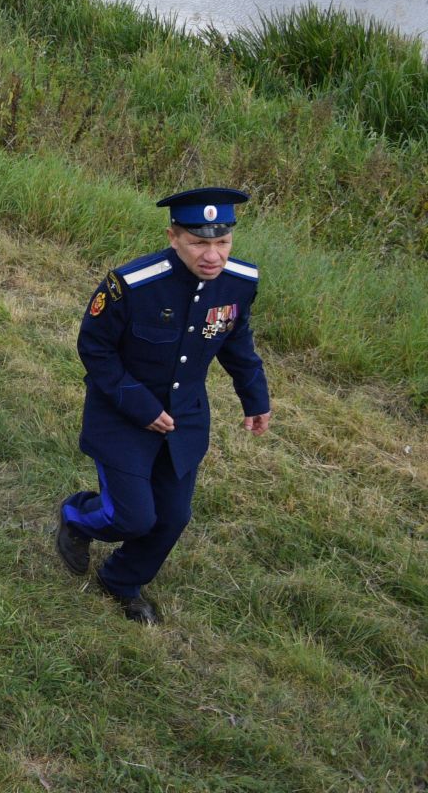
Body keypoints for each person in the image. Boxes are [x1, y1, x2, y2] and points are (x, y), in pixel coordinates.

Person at [53, 188, 272, 625]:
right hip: (121, 415)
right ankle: (76, 517)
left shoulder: (240, 282)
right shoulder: (132, 285)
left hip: (184, 419)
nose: (213, 255)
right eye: (199, 242)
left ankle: (121, 581)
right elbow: (94, 348)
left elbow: (236, 343)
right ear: (173, 236)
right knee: (133, 517)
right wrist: (139, 406)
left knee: (171, 518)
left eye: (222, 242)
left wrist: (256, 398)